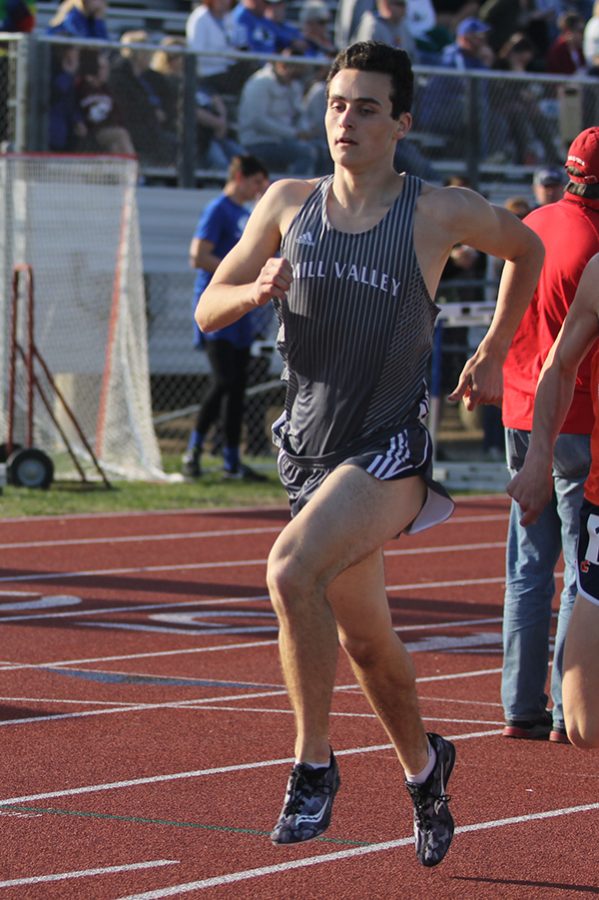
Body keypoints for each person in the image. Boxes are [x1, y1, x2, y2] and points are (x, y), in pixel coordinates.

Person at [196, 41, 544, 865]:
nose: (345, 120)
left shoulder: (435, 211)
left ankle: (312, 765)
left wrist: (495, 348)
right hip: (307, 457)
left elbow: (525, 248)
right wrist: (254, 290)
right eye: (336, 104)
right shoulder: (286, 201)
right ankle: (426, 769)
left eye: (364, 107)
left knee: (288, 572)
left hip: (387, 451)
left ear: (400, 122)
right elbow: (210, 309)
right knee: (367, 647)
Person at [501, 126, 599, 744]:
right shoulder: (595, 239)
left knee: (528, 563)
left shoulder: (535, 221)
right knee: (580, 572)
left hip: (518, 405)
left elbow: (507, 308)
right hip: (576, 414)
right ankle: (570, 708)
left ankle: (519, 702)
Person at [183, 154, 270, 482]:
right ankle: (193, 451)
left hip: (241, 310)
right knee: (223, 381)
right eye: (257, 182)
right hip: (217, 306)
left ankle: (232, 460)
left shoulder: (248, 214)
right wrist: (234, 276)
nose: (261, 189)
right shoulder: (219, 209)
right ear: (241, 177)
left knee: (238, 387)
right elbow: (199, 255)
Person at [237, 48, 317, 176]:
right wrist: (295, 134)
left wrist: (305, 130)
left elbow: (299, 114)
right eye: (291, 72)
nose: (294, 78)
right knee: (306, 152)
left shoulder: (294, 85)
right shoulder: (260, 83)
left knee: (322, 147)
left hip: (285, 140)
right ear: (281, 65)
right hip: (259, 142)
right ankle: (298, 190)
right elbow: (258, 121)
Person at [76, 49, 136, 155]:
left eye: (107, 68)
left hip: (106, 128)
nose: (106, 71)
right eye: (102, 68)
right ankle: (134, 169)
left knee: (115, 146)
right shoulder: (81, 87)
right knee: (120, 134)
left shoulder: (107, 90)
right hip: (91, 131)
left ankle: (124, 170)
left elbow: (116, 113)